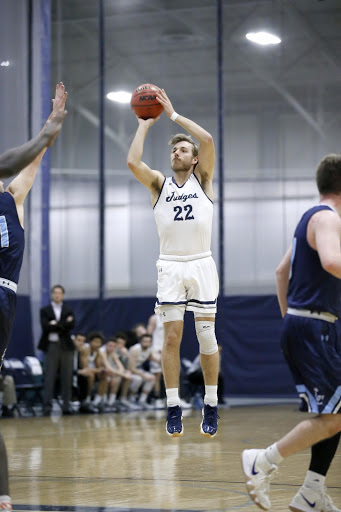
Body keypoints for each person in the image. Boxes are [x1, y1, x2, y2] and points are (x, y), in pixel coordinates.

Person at [242, 154, 341, 512]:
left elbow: (281, 271)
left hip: (308, 324)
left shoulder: (309, 219)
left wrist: (291, 318)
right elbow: (331, 261)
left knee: (337, 410)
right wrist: (302, 320)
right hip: (314, 326)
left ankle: (311, 493)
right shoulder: (328, 219)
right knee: (334, 416)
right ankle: (262, 460)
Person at [127, 88, 220, 437]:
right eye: (174, 149)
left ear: (194, 159)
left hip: (201, 263)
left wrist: (173, 114)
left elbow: (207, 139)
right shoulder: (158, 185)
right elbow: (133, 163)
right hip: (170, 265)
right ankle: (173, 406)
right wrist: (143, 124)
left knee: (207, 336)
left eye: (182, 149)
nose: (176, 152)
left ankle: (210, 403)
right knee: (171, 339)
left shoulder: (204, 181)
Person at [0, 82, 68, 511]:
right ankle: (4, 496)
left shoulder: (11, 198)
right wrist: (48, 130)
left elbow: (31, 162)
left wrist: (50, 129)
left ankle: (4, 494)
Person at [38, 284, 75, 416]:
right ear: (52, 295)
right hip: (51, 346)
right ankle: (47, 407)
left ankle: (66, 406)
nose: (57, 295)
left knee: (67, 377)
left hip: (66, 346)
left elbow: (72, 324)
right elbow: (45, 327)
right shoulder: (45, 310)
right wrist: (63, 323)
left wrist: (55, 324)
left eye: (59, 293)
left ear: (63, 295)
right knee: (49, 377)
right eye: (55, 293)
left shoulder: (68, 309)